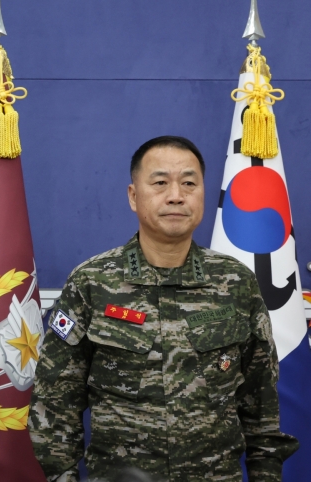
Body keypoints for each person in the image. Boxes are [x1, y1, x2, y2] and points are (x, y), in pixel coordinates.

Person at [28, 136, 298, 481]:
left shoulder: (235, 282)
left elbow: (261, 405)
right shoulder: (92, 283)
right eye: (160, 183)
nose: (176, 195)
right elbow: (54, 403)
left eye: (189, 183)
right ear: (133, 196)